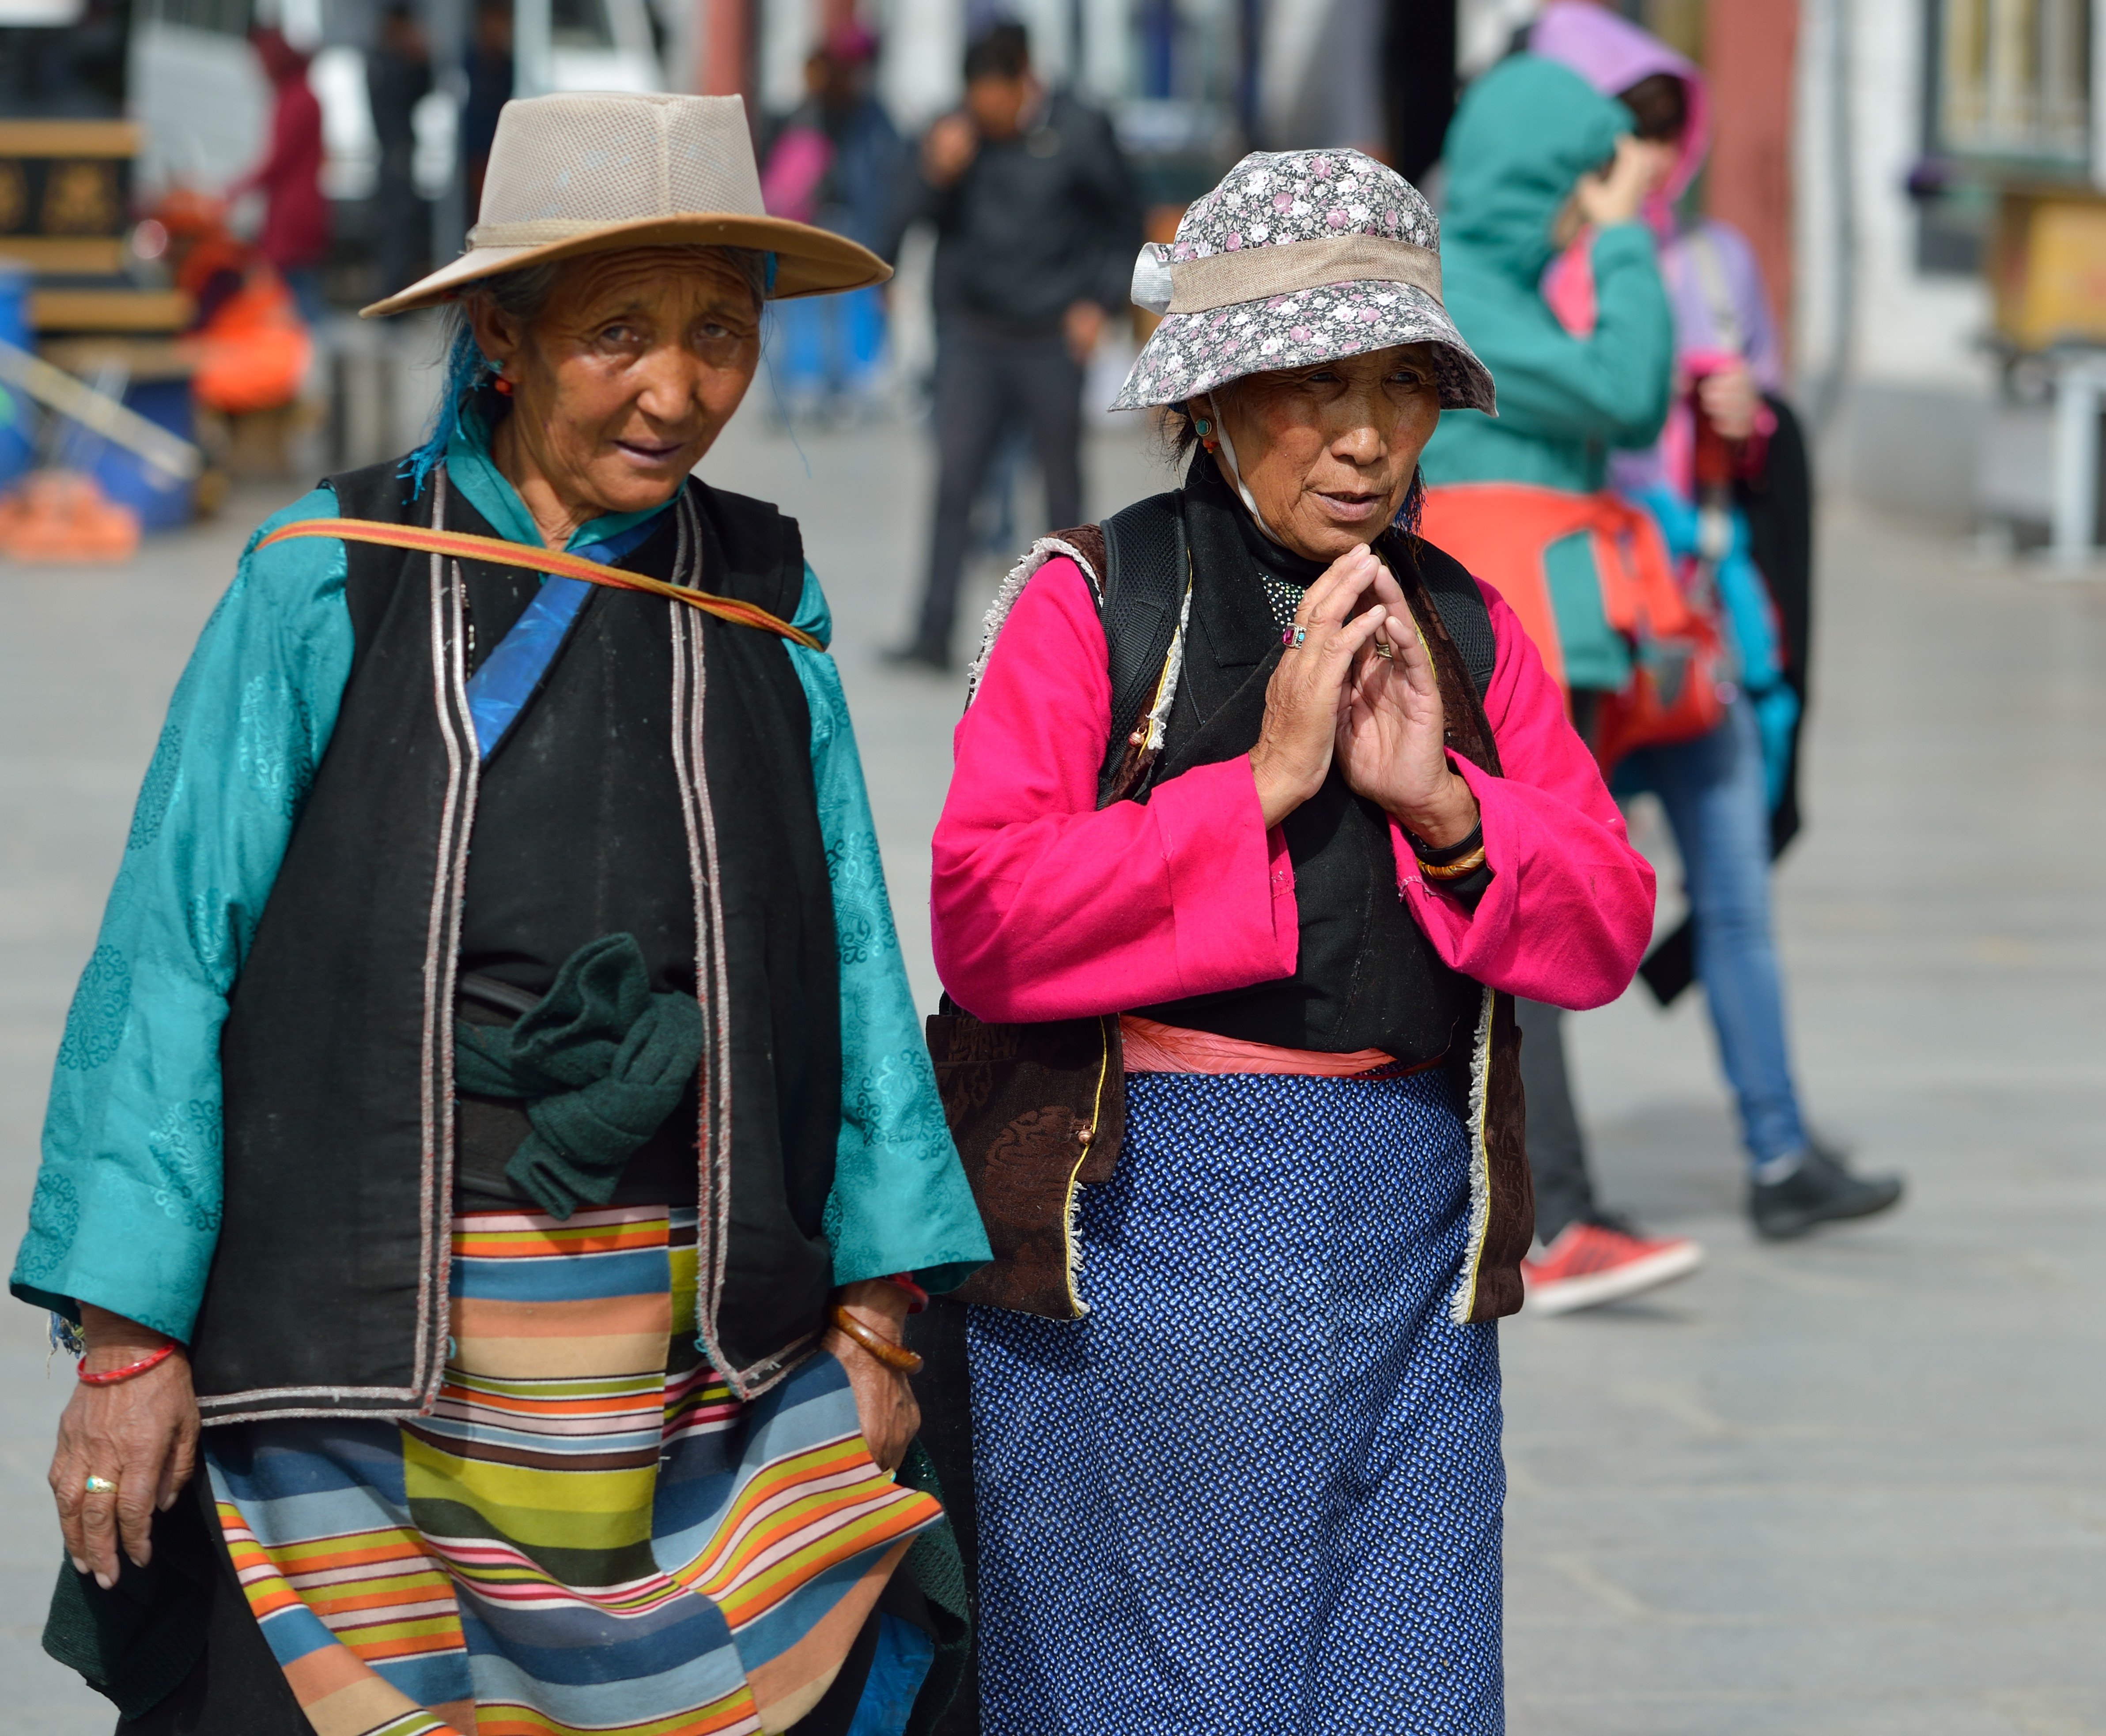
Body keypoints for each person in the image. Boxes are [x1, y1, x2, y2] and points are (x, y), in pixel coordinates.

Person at [12, 91, 990, 1736]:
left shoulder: (764, 594)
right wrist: (126, 1341)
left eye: (720, 333)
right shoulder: (328, 572)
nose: (678, 392)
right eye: (617, 331)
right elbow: (174, 956)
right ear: (500, 335)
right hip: (356, 1372)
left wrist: (878, 1316)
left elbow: (850, 951)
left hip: (692, 1376)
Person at [923, 147, 1655, 1732]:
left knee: (1410, 1683)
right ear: (1210, 400)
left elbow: (1602, 920)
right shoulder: (1092, 601)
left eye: (1397, 385)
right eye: (1308, 382)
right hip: (1139, 1256)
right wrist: (1254, 786)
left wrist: (1446, 807)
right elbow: (984, 918)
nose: (1364, 435)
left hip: (1410, 1262)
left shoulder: (1465, 628)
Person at [1524, 8, 1905, 1280]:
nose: (1647, 149)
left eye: (1661, 123)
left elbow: (1761, 431)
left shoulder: (1718, 262)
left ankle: (1781, 1153)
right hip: (1593, 636)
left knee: (1737, 901)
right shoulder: (1538, 272)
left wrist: (1740, 421)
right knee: (1545, 890)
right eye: (1621, 127)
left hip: (1703, 628)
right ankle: (1533, 1174)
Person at [885, 20, 1140, 671]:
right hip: (973, 335)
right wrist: (934, 170)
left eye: (996, 97)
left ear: (1025, 80)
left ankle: (1071, 635)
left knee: (1059, 491)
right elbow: (901, 218)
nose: (985, 112)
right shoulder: (957, 131)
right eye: (975, 98)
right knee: (954, 482)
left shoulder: (1080, 128)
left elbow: (1122, 223)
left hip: (1051, 337)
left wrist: (1100, 303)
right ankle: (932, 630)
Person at [759, 22, 906, 416]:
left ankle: (844, 386)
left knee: (843, 304)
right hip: (805, 224)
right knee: (802, 305)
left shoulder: (865, 115)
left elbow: (883, 176)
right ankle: (803, 385)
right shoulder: (803, 115)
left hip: (849, 225)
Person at [232, 27, 329, 328]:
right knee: (297, 290)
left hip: (292, 213)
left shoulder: (295, 98)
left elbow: (277, 162)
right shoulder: (301, 95)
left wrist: (233, 191)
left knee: (297, 293)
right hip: (299, 208)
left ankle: (319, 355)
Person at [366, 1, 432, 303]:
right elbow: (407, 89)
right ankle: (392, 296)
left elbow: (423, 88)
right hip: (393, 155)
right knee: (396, 229)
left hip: (397, 154)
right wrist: (417, 58)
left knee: (402, 229)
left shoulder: (384, 59)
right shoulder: (383, 61)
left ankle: (397, 292)